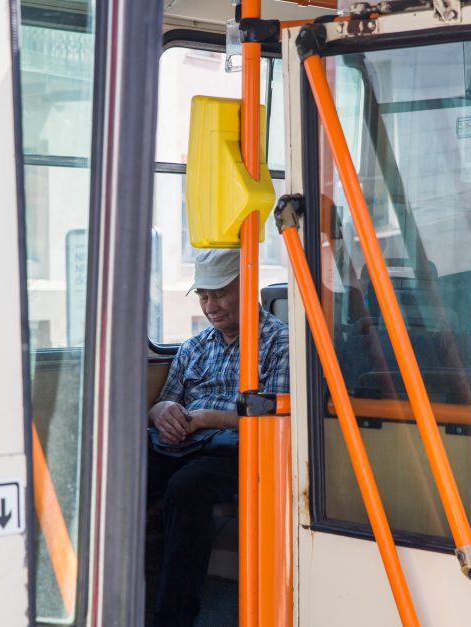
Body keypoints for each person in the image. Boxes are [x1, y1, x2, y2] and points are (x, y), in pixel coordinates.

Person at [147, 248, 289, 627]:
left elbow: (276, 418)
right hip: (182, 442)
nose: (211, 306)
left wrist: (207, 418)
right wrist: (163, 414)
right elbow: (163, 402)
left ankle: (172, 618)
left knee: (187, 485)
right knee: (124, 473)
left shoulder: (279, 342)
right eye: (204, 296)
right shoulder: (195, 346)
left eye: (220, 293)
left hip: (240, 450)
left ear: (246, 287)